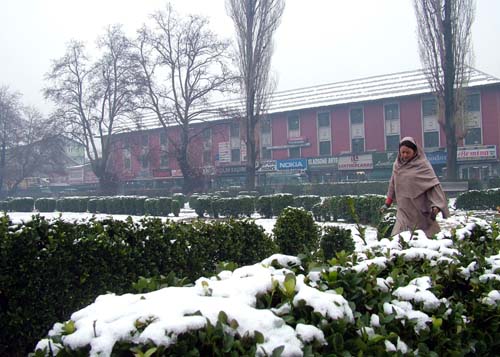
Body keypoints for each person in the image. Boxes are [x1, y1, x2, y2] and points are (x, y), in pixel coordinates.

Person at [381, 136, 449, 237]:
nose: (404, 155)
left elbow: (433, 186)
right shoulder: (397, 165)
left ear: (415, 151)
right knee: (398, 236)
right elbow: (393, 184)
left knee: (424, 235)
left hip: (419, 208)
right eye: (402, 152)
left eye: (408, 152)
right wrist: (388, 203)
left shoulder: (423, 165)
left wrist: (436, 207)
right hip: (403, 209)